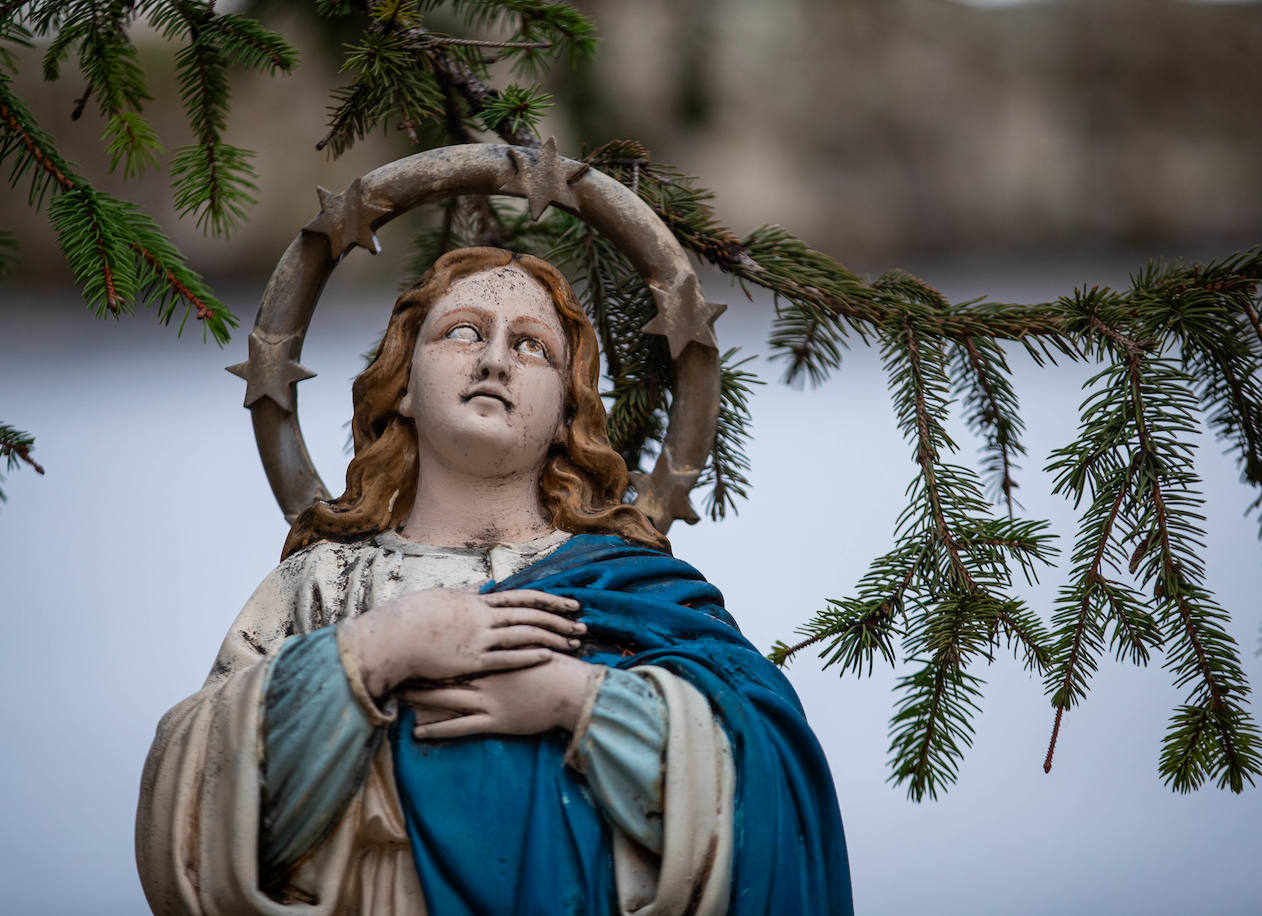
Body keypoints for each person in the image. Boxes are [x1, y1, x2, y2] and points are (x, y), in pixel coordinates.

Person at [135, 247, 852, 915]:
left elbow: (760, 769)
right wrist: (375, 651)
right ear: (404, 386)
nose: (495, 360)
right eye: (463, 333)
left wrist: (581, 700)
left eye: (532, 346)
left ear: (566, 414)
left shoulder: (635, 593)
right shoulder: (322, 582)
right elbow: (194, 792)